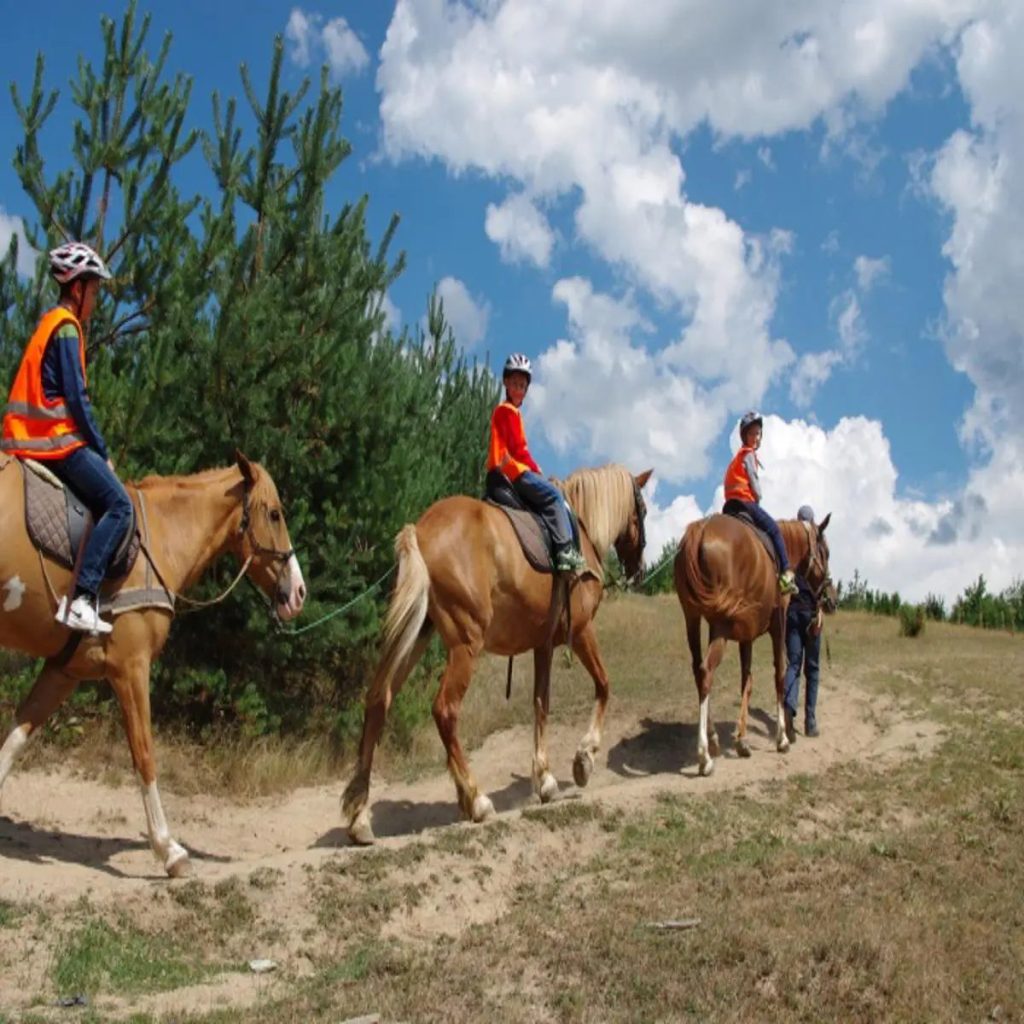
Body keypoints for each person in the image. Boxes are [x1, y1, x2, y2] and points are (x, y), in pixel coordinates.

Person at [1, 242, 132, 635]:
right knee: (120, 504)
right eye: (94, 290)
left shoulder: (47, 324)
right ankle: (83, 598)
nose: (96, 300)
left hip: (23, 439)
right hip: (54, 441)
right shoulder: (67, 327)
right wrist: (102, 452)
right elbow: (77, 399)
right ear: (77, 288)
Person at [487, 353, 585, 573]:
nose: (519, 389)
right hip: (513, 471)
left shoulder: (506, 412)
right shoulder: (508, 411)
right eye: (515, 384)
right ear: (505, 383)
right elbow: (519, 450)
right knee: (554, 495)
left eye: (522, 386)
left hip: (505, 470)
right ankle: (565, 550)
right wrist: (535, 468)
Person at [723, 410, 797, 595]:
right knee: (774, 529)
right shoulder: (749, 455)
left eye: (758, 433)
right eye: (752, 434)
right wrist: (758, 496)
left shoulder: (736, 458)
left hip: (730, 506)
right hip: (746, 502)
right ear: (745, 436)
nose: (755, 437)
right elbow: (754, 482)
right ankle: (786, 574)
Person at [783, 505, 823, 739]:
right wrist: (821, 612)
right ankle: (810, 721)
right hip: (811, 615)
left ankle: (789, 708)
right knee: (813, 669)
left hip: (792, 614)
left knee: (794, 665)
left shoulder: (789, 547)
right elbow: (822, 584)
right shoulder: (816, 549)